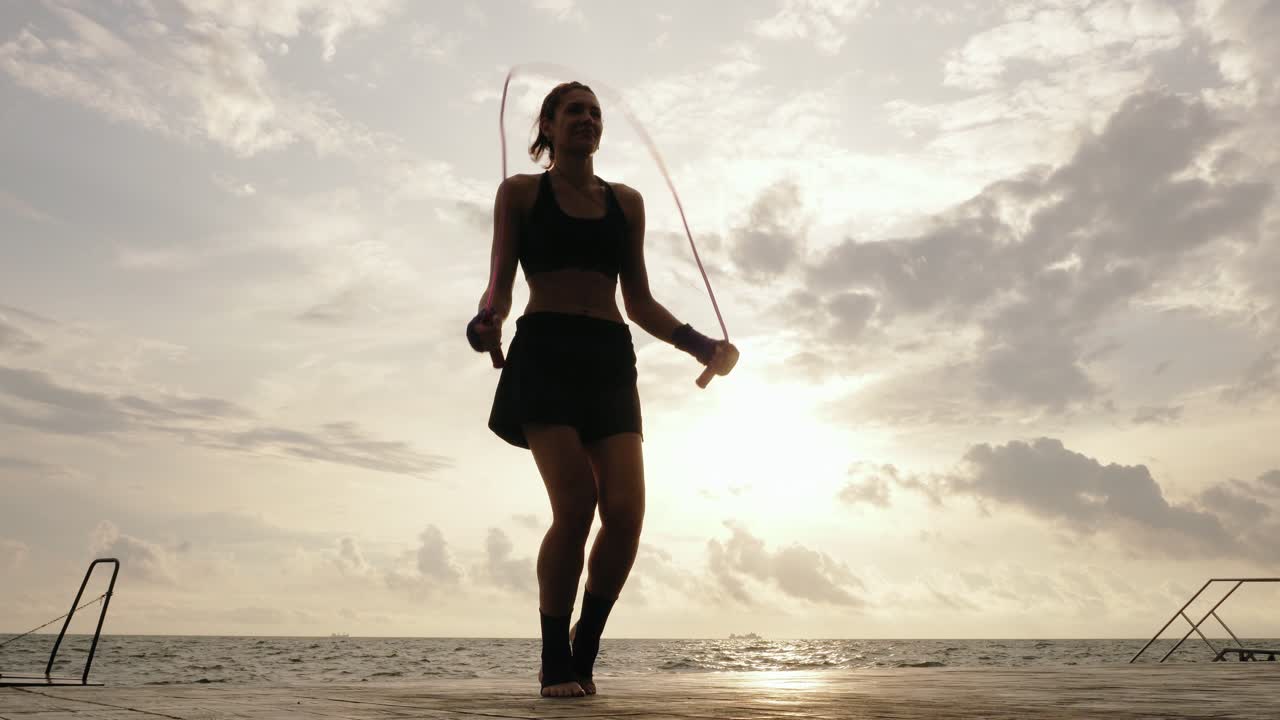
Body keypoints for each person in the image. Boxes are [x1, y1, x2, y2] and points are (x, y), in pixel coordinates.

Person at [466, 81, 738, 698]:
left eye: (594, 113)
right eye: (573, 112)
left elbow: (637, 300)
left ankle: (586, 647)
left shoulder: (627, 203)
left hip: (610, 359)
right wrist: (485, 324)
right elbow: (499, 289)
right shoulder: (520, 193)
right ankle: (553, 655)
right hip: (543, 356)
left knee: (626, 515)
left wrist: (702, 346)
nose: (586, 120)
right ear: (549, 127)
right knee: (576, 505)